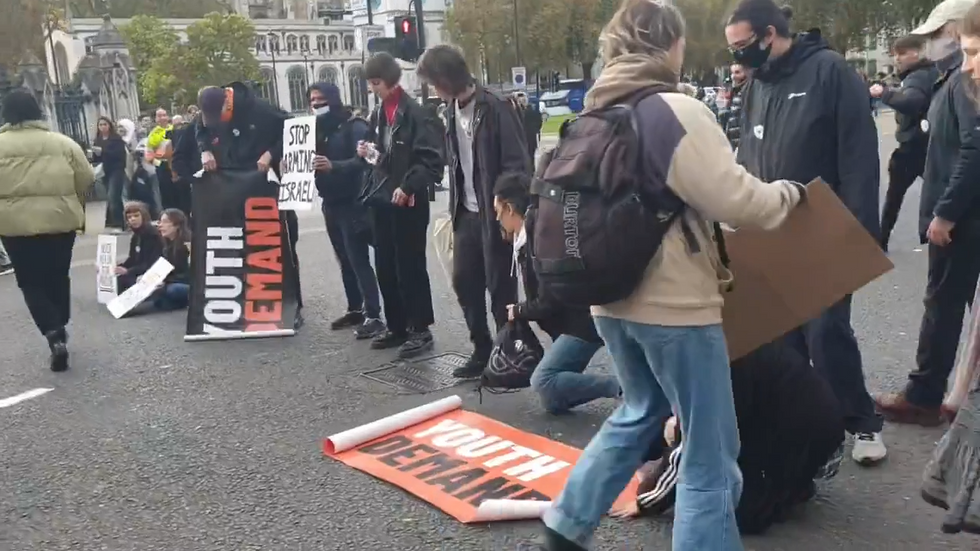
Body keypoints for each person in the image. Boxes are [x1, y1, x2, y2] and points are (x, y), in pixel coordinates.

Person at [528, 1, 805, 549]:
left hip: (610, 301)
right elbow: (736, 201)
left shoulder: (591, 114)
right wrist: (789, 196)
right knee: (709, 449)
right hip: (674, 306)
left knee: (640, 409)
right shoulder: (673, 111)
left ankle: (565, 525)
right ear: (670, 46)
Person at [725, 0, 886, 466]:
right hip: (771, 227)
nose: (738, 58)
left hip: (824, 225)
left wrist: (857, 232)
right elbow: (748, 156)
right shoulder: (757, 83)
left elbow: (859, 156)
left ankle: (863, 423)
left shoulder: (831, 72)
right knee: (782, 339)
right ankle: (806, 430)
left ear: (770, 34)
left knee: (826, 332)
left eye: (743, 47)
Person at [617, 338, 845, 536]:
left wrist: (647, 500)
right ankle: (786, 482)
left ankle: (788, 488)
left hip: (803, 437)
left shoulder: (708, 369)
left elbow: (691, 444)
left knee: (741, 516)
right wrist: (638, 455)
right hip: (794, 417)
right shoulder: (718, 338)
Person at [876, 0, 980, 428]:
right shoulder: (954, 78)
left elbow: (973, 149)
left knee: (943, 305)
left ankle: (924, 395)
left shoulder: (964, 82)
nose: (931, 42)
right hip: (963, 213)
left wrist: (945, 213)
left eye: (937, 33)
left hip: (963, 219)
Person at [416, 44, 531, 378]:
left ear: (449, 77)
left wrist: (504, 198)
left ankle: (506, 351)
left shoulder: (495, 107)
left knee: (501, 287)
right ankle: (481, 349)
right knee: (465, 281)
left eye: (435, 82)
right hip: (465, 212)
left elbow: (517, 162)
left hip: (494, 213)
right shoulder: (450, 109)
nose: (434, 91)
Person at [493, 172, 621, 413]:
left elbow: (550, 299)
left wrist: (519, 310)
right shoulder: (527, 235)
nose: (497, 219)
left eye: (497, 211)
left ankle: (623, 386)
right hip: (568, 322)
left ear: (510, 209)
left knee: (543, 381)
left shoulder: (537, 238)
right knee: (554, 401)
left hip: (582, 322)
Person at [197, 82, 305, 328]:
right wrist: (205, 151)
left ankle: (292, 304)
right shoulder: (210, 107)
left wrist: (272, 153)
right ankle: (249, 299)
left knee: (281, 245)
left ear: (227, 101)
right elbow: (200, 130)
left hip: (267, 183)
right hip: (235, 185)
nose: (217, 122)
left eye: (219, 116)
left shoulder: (263, 111)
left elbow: (293, 130)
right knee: (244, 244)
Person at [0, 89, 94, 372]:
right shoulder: (62, 143)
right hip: (60, 220)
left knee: (30, 282)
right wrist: (69, 198)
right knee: (57, 275)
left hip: (14, 226)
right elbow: (87, 177)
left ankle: (53, 332)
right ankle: (60, 322)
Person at [357, 53, 442, 357]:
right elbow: (383, 159)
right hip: (383, 198)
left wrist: (409, 186)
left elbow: (432, 159)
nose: (373, 89)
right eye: (370, 83)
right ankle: (397, 325)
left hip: (409, 199)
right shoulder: (379, 114)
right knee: (386, 265)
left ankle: (420, 328)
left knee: (410, 267)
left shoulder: (417, 113)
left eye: (376, 83)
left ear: (391, 80)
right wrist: (366, 151)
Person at [308, 82, 384, 339]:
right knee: (344, 258)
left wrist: (334, 166)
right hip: (330, 201)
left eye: (320, 99)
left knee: (358, 258)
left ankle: (373, 314)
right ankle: (356, 307)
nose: (316, 104)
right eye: (312, 100)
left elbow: (365, 161)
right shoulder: (317, 129)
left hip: (353, 202)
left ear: (333, 99)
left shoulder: (355, 126)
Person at [871, 35, 938, 252]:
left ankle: (881, 240)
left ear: (916, 53)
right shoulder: (931, 72)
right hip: (929, 143)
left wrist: (885, 93)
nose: (897, 59)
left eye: (901, 54)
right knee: (941, 191)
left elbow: (911, 102)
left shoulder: (917, 77)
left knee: (894, 196)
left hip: (913, 147)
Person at [91, 116, 130, 232]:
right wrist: (93, 154)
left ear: (109, 126)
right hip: (104, 170)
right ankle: (123, 221)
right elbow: (96, 158)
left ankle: (118, 224)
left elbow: (119, 155)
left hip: (116, 170)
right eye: (100, 125)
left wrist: (103, 152)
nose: (103, 127)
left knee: (113, 196)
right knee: (111, 197)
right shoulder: (98, 140)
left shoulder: (116, 139)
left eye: (105, 124)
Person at [115, 201, 163, 293]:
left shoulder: (152, 235)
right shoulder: (136, 236)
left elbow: (150, 263)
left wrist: (128, 271)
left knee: (125, 279)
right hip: (141, 270)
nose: (133, 219)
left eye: (136, 216)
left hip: (152, 273)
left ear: (143, 216)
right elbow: (133, 259)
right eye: (129, 217)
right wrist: (117, 267)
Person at [152, 208, 191, 311]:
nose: (160, 225)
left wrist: (166, 282)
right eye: (160, 222)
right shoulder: (167, 245)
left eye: (165, 222)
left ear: (177, 225)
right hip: (173, 281)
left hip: (187, 284)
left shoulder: (186, 245)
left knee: (173, 290)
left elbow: (189, 275)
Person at [146, 107, 177, 211]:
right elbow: (149, 154)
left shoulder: (174, 129)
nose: (162, 118)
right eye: (159, 116)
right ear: (155, 119)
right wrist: (159, 164)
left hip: (177, 163)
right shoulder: (153, 134)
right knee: (166, 193)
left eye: (164, 115)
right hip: (162, 166)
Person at [723, 63, 747, 150]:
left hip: (742, 145)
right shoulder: (734, 93)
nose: (733, 76)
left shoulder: (748, 92)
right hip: (733, 143)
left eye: (737, 72)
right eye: (732, 73)